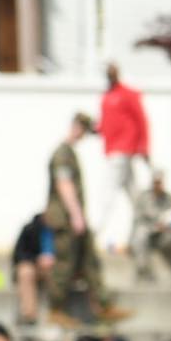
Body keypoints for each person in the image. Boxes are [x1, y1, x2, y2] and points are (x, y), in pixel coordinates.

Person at [43, 113, 127, 325]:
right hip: (66, 219)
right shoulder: (62, 153)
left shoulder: (70, 152)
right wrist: (76, 215)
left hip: (73, 218)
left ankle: (103, 304)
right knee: (64, 264)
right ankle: (56, 309)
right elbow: (64, 184)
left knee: (90, 261)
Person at [97, 63, 151, 250]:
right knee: (134, 195)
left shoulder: (127, 94)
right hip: (114, 150)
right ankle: (139, 236)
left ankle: (96, 231)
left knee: (109, 192)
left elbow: (141, 120)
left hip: (123, 151)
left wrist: (144, 147)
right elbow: (105, 124)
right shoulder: (107, 96)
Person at [129, 171, 171, 282]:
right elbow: (137, 220)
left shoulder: (170, 198)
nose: (158, 185)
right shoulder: (143, 198)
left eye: (160, 182)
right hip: (149, 236)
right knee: (141, 234)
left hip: (166, 236)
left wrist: (169, 225)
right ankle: (143, 269)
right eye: (155, 182)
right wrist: (155, 226)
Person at [11, 213, 54, 328]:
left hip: (59, 269)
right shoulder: (30, 229)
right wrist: (37, 259)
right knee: (25, 272)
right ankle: (29, 316)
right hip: (36, 266)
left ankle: (57, 311)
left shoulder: (68, 230)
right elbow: (18, 254)